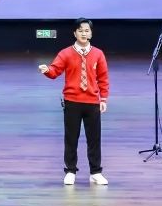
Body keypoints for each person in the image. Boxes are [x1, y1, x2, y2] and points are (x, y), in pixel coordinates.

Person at [38, 18, 110, 186]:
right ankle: (70, 171)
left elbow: (103, 78)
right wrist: (47, 70)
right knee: (71, 139)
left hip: (92, 102)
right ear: (75, 33)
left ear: (91, 33)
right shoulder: (65, 53)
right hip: (72, 102)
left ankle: (96, 172)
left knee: (94, 139)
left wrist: (103, 98)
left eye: (87, 30)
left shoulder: (98, 54)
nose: (84, 33)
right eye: (80, 30)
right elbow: (55, 71)